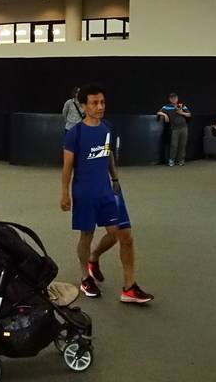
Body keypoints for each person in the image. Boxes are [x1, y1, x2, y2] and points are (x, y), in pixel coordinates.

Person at [61, 84, 153, 304]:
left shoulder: (107, 128)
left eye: (102, 102)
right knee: (87, 235)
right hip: (84, 193)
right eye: (94, 103)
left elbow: (109, 155)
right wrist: (65, 193)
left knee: (121, 235)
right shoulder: (75, 133)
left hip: (108, 191)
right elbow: (67, 167)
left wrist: (115, 179)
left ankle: (128, 287)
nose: (100, 106)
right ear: (84, 106)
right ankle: (85, 276)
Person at [156, 93, 191, 167]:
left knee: (182, 145)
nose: (173, 99)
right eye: (172, 98)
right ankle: (171, 160)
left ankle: (181, 160)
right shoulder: (166, 107)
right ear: (170, 99)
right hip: (174, 129)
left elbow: (189, 114)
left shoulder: (182, 105)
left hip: (184, 128)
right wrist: (165, 115)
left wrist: (181, 112)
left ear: (177, 99)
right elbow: (158, 112)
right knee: (174, 145)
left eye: (175, 98)